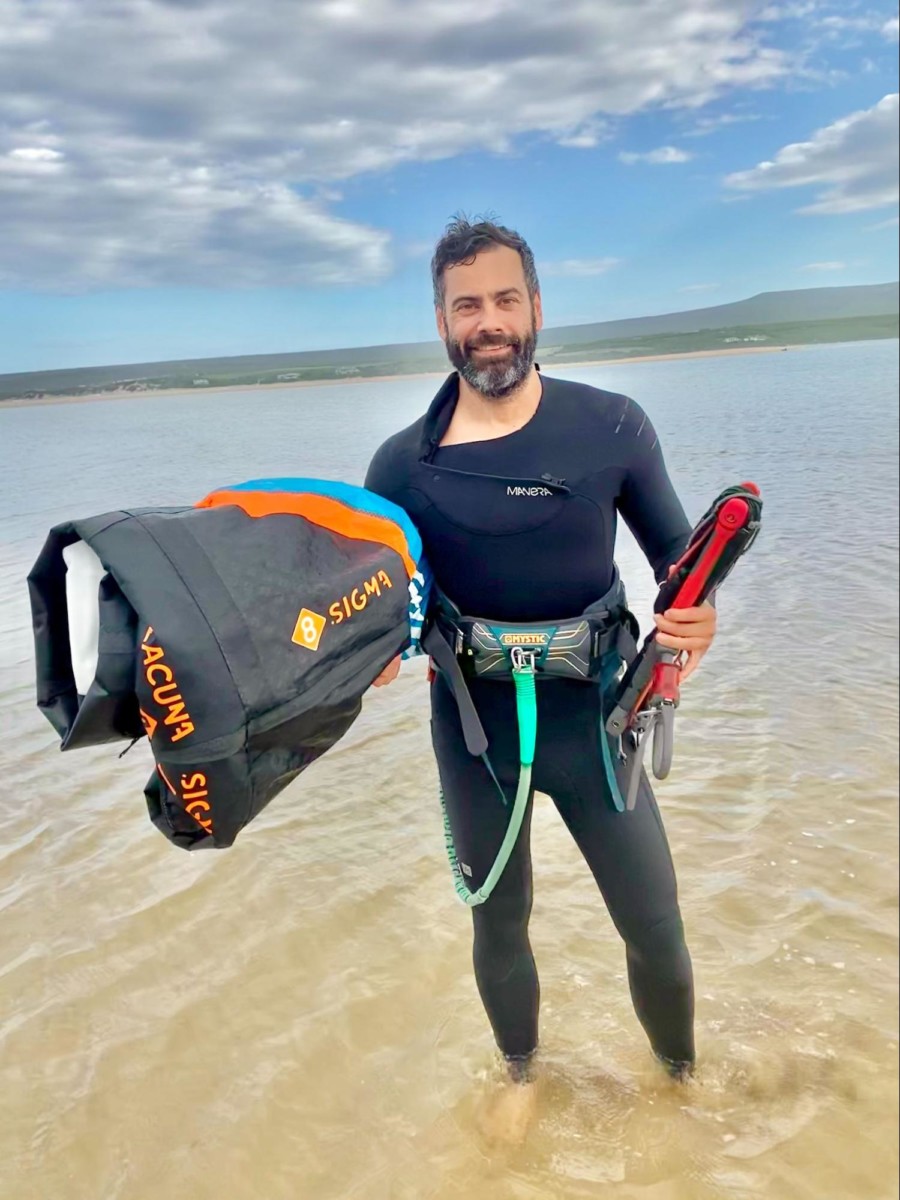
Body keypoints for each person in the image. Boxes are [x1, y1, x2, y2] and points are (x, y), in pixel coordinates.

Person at [363, 217, 717, 1121]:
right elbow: (371, 612)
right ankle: (521, 1082)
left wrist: (697, 619)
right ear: (441, 319)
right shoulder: (400, 466)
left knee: (656, 926)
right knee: (499, 924)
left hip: (597, 724)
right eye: (467, 303)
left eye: (505, 299)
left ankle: (685, 1090)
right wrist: (360, 660)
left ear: (536, 308)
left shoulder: (611, 425)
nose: (490, 321)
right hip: (475, 734)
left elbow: (681, 564)